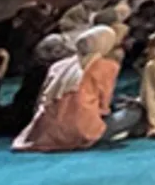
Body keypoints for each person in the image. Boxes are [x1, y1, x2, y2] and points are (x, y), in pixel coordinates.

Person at [14, 26, 142, 152]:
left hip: (45, 133)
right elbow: (104, 107)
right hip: (80, 132)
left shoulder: (59, 65)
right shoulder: (106, 66)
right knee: (135, 112)